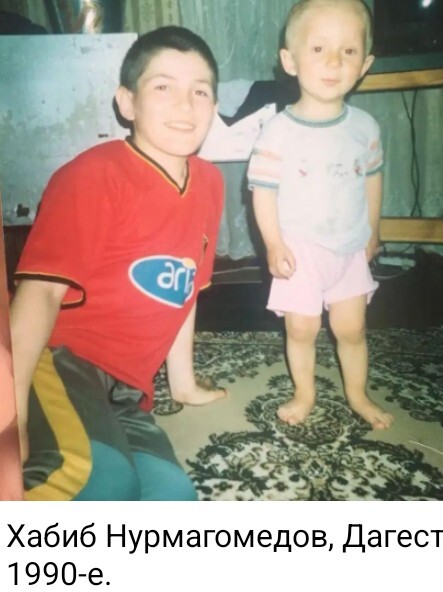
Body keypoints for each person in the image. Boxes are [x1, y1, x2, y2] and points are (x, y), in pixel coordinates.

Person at [10, 25, 227, 501]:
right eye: (163, 87)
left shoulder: (211, 183)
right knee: (98, 480)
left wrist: (184, 385)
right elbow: (40, 292)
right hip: (59, 360)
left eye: (200, 91)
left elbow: (184, 289)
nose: (185, 105)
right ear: (127, 102)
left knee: (172, 499)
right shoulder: (92, 175)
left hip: (127, 390)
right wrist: (13, 415)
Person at [247, 0, 393, 429]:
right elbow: (263, 192)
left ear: (364, 65)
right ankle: (304, 393)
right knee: (301, 329)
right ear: (290, 61)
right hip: (300, 250)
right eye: (318, 49)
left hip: (349, 247)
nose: (334, 61)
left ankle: (357, 394)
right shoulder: (277, 131)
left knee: (352, 329)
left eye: (348, 51)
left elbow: (372, 181)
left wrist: (373, 230)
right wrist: (273, 244)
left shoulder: (365, 127)